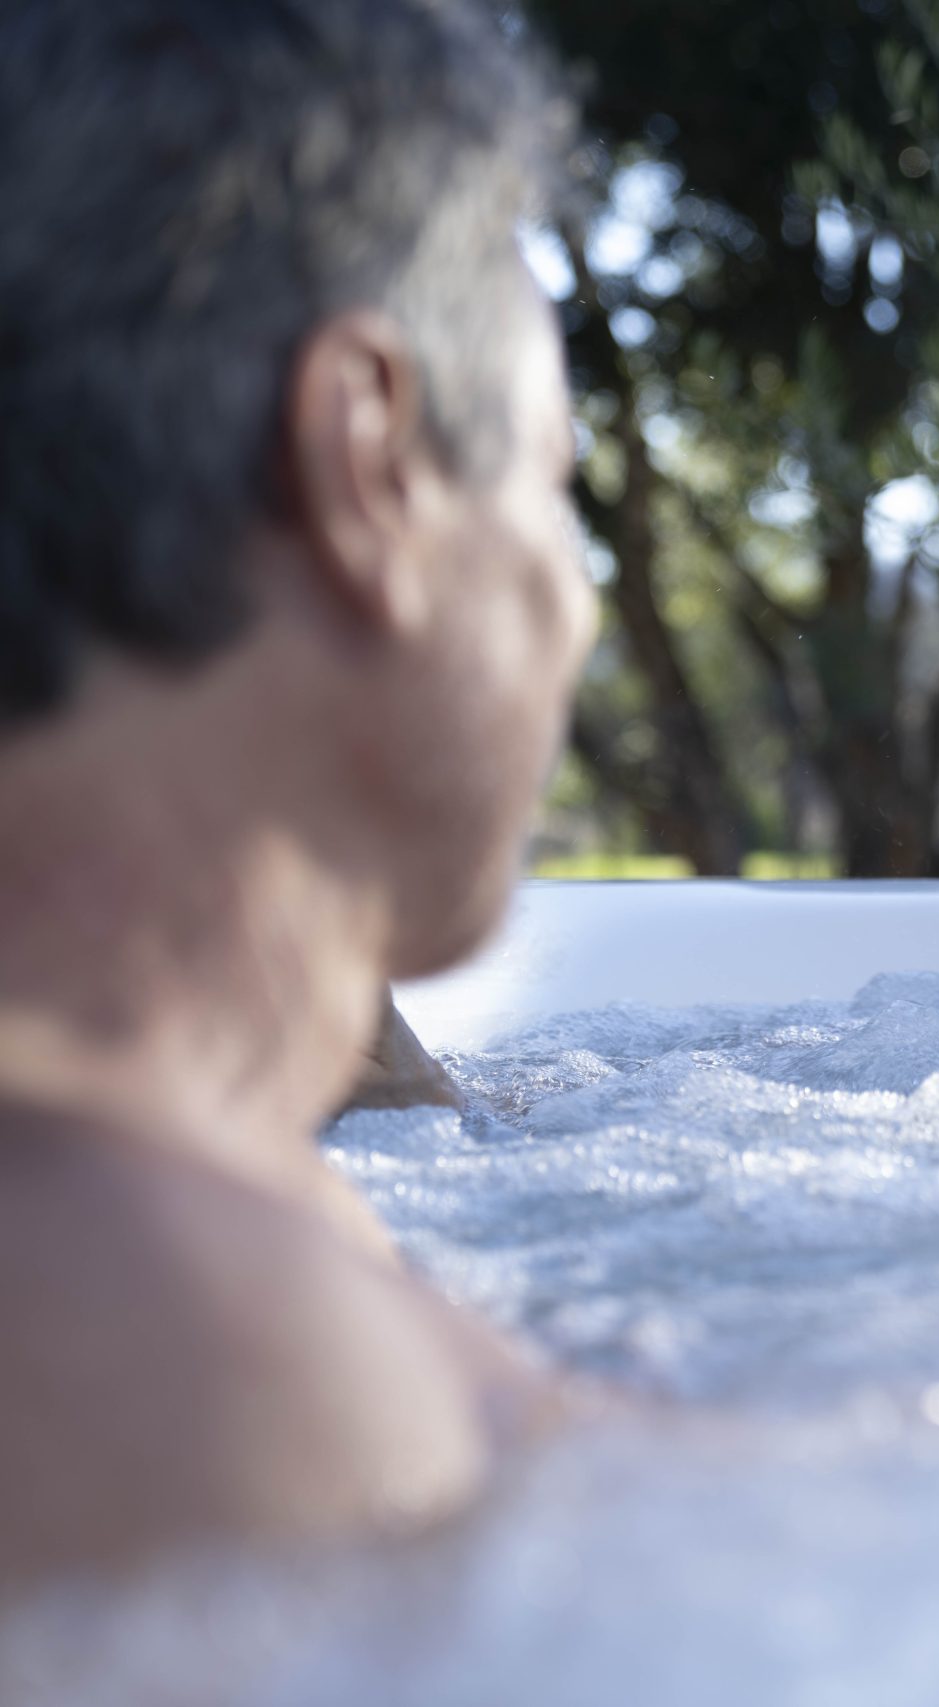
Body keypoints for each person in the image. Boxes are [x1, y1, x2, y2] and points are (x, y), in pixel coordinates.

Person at [0, 0, 590, 1586]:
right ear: (370, 459)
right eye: (553, 484)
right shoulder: (182, 1342)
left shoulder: (207, 1200)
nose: (578, 601)